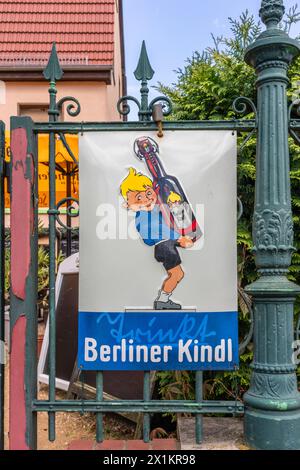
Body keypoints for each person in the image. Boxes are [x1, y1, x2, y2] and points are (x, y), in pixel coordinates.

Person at [120, 168, 194, 310]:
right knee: (177, 274)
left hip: (165, 245)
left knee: (176, 274)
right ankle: (162, 300)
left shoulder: (152, 210)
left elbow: (165, 215)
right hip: (164, 247)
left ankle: (163, 298)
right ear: (128, 205)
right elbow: (156, 231)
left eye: (148, 193)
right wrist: (179, 239)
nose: (146, 199)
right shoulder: (143, 216)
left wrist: (172, 201)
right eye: (138, 198)